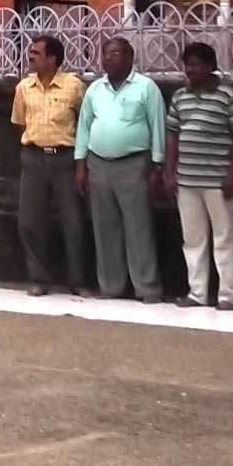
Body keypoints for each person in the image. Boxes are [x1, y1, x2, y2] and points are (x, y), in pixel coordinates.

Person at [74, 36, 166, 304]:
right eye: (105, 54)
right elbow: (84, 127)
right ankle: (111, 285)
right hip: (98, 163)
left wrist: (156, 166)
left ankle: (146, 287)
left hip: (133, 164)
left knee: (139, 227)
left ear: (129, 57)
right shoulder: (95, 90)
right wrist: (81, 166)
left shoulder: (146, 88)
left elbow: (157, 125)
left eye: (114, 54)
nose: (107, 59)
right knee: (105, 228)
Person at [163, 41, 233, 309]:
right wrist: (169, 172)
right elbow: (172, 136)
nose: (190, 70)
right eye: (187, 65)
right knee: (192, 240)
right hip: (187, 179)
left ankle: (227, 295)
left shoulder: (228, 96)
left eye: (196, 65)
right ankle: (197, 292)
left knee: (224, 238)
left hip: (217, 180)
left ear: (210, 66)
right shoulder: (179, 97)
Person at [10, 34, 86, 296]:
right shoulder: (23, 88)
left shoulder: (73, 86)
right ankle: (38, 278)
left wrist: (80, 164)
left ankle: (77, 280)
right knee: (30, 221)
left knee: (73, 222)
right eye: (30, 52)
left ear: (53, 58)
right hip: (33, 157)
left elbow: (84, 122)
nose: (30, 56)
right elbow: (20, 122)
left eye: (36, 53)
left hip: (65, 158)